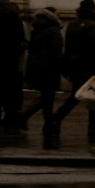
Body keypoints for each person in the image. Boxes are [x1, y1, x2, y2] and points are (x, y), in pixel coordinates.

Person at [50, 0, 95, 145]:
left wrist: (66, 68)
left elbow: (67, 48)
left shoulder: (72, 26)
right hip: (88, 67)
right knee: (92, 95)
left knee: (77, 94)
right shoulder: (94, 27)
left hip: (74, 66)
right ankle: (90, 126)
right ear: (93, 10)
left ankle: (59, 118)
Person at [19, 8, 63, 139]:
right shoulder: (54, 31)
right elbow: (56, 53)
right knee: (48, 98)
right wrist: (62, 66)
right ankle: (27, 116)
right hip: (49, 69)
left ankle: (46, 124)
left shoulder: (37, 29)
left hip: (37, 68)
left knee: (46, 97)